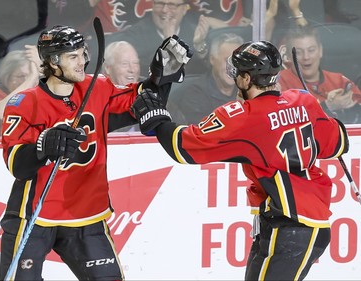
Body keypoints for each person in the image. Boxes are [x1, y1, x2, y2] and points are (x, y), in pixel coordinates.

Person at [131, 40, 349, 280]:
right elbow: (337, 142)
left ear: (246, 79)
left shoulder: (244, 116)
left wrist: (157, 118)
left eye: (236, 73)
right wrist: (317, 113)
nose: (234, 78)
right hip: (298, 222)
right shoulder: (303, 100)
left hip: (291, 225)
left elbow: (183, 148)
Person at [0, 24, 191, 280]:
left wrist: (161, 77)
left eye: (83, 53)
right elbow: (17, 165)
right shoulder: (24, 103)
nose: (83, 62)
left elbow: (141, 104)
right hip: (34, 216)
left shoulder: (97, 87)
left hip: (87, 215)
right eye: (73, 56)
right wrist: (43, 146)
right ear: (53, 62)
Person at [104, 0, 228, 76]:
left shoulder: (192, 27)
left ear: (184, 9)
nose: (164, 10)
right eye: (160, 3)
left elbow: (205, 68)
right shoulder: (136, 35)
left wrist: (200, 45)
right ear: (152, 5)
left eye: (172, 5)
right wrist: (169, 44)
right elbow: (163, 74)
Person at [279, 25, 361, 124]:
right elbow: (282, 121)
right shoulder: (278, 83)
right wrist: (327, 106)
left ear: (320, 51)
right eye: (298, 52)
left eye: (311, 50)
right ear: (288, 56)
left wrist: (347, 104)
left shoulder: (339, 80)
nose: (306, 57)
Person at [169, 32, 244, 124]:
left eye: (237, 61)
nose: (233, 67)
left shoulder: (246, 90)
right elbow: (204, 132)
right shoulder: (195, 93)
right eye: (227, 60)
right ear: (212, 59)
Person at [0, 45, 40, 136]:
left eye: (32, 75)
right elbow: (1, 113)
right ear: (7, 78)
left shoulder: (43, 97)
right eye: (21, 76)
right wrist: (32, 77)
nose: (29, 82)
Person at [103, 40, 141, 132]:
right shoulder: (94, 102)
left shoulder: (152, 96)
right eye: (124, 64)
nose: (132, 70)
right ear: (108, 68)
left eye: (135, 63)